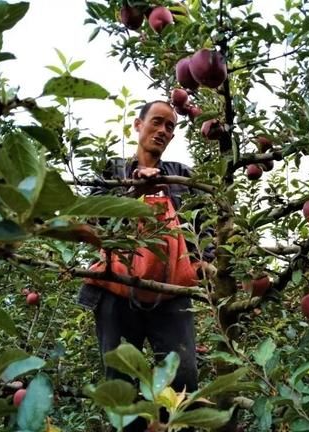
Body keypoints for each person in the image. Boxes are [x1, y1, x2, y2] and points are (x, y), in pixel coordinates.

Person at [78, 100, 213, 431]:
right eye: (157, 122)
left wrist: (206, 263)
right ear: (137, 126)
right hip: (115, 294)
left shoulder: (181, 176)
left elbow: (204, 226)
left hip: (171, 294)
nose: (163, 131)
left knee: (183, 379)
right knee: (123, 385)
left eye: (170, 127)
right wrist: (134, 193)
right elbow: (90, 222)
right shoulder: (111, 172)